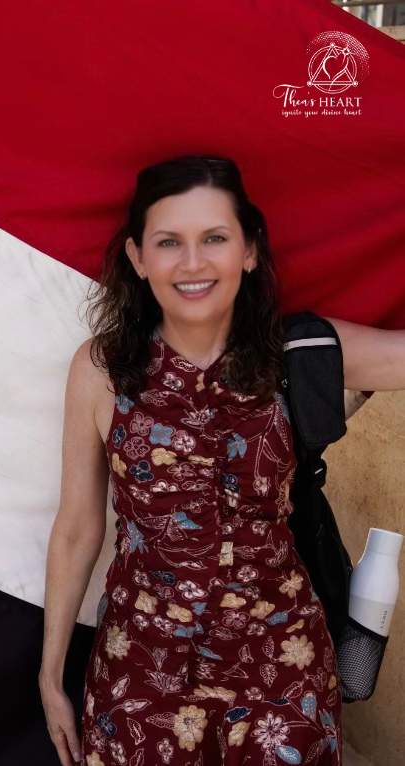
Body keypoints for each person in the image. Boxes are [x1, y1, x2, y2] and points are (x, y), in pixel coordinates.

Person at [38, 155, 405, 766]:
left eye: (214, 238)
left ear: (251, 250)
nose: (192, 262)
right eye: (168, 242)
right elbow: (77, 528)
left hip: (283, 678)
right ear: (136, 258)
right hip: (141, 680)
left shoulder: (301, 354)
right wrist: (51, 677)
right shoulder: (102, 370)